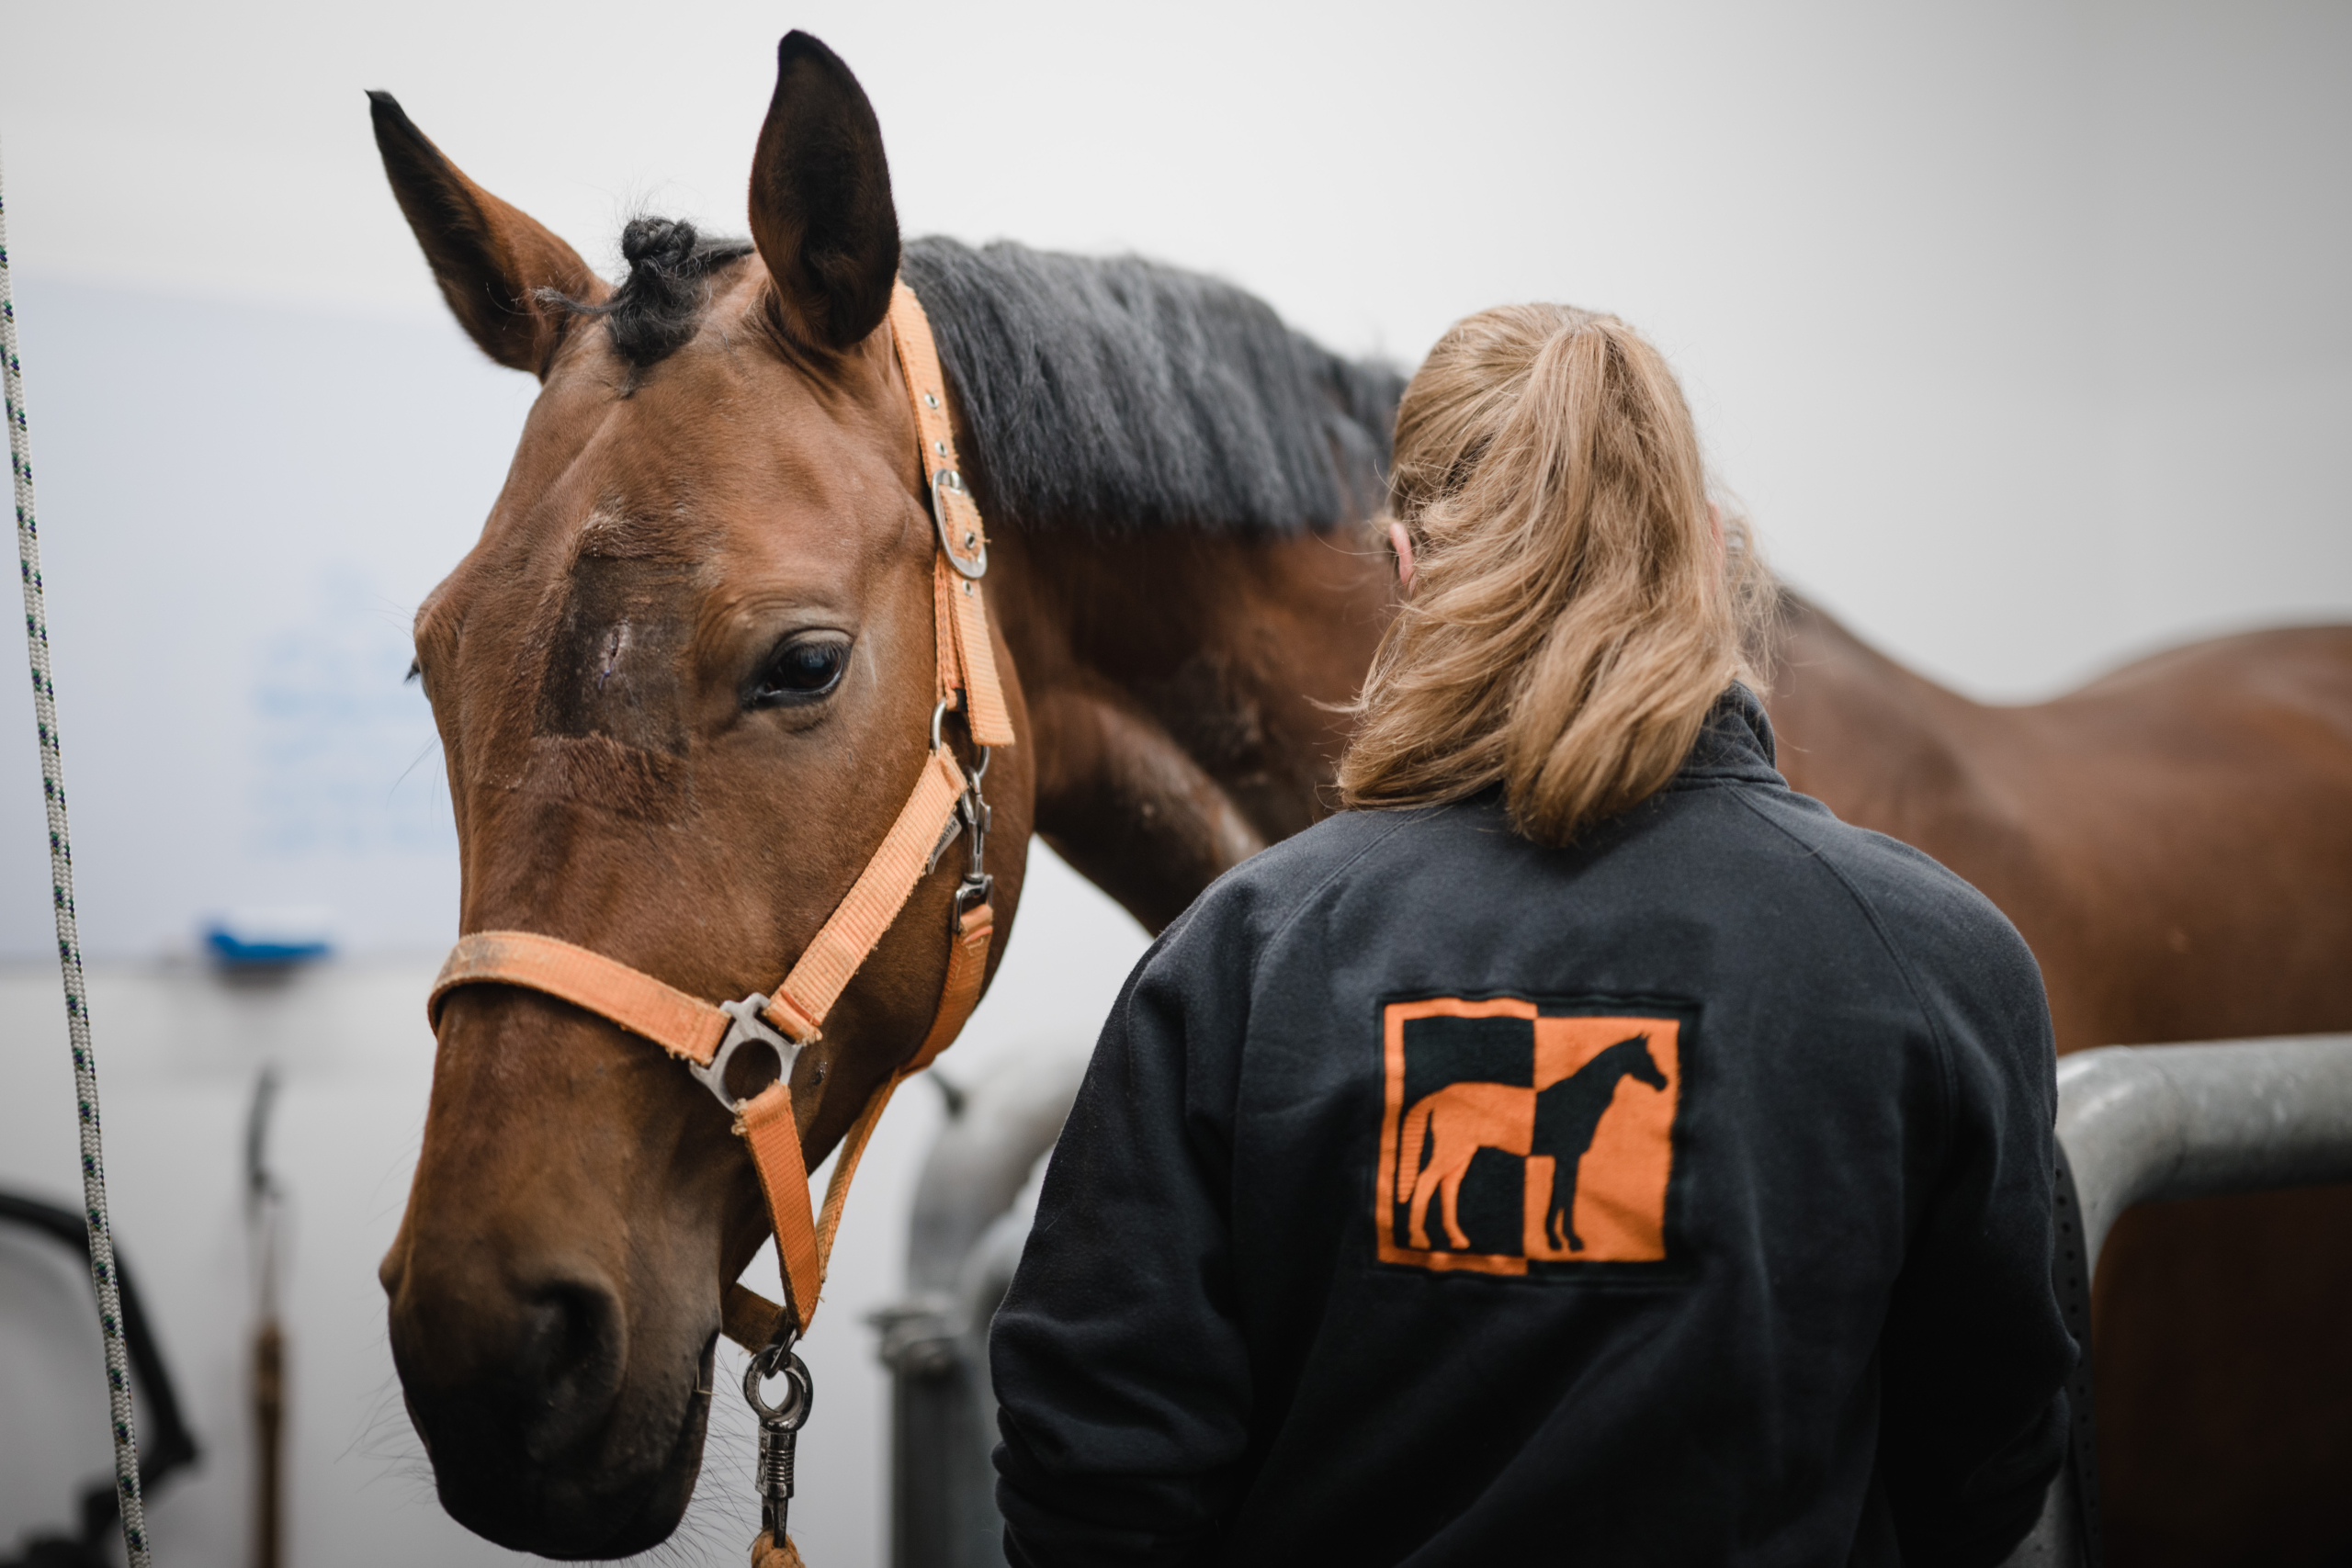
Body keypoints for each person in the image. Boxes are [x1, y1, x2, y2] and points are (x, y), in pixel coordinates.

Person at [988, 303, 2073, 1567]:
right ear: (1714, 554)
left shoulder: (1243, 960)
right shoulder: (1938, 962)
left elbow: (1094, 1478)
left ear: (1405, 569)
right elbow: (1987, 1462)